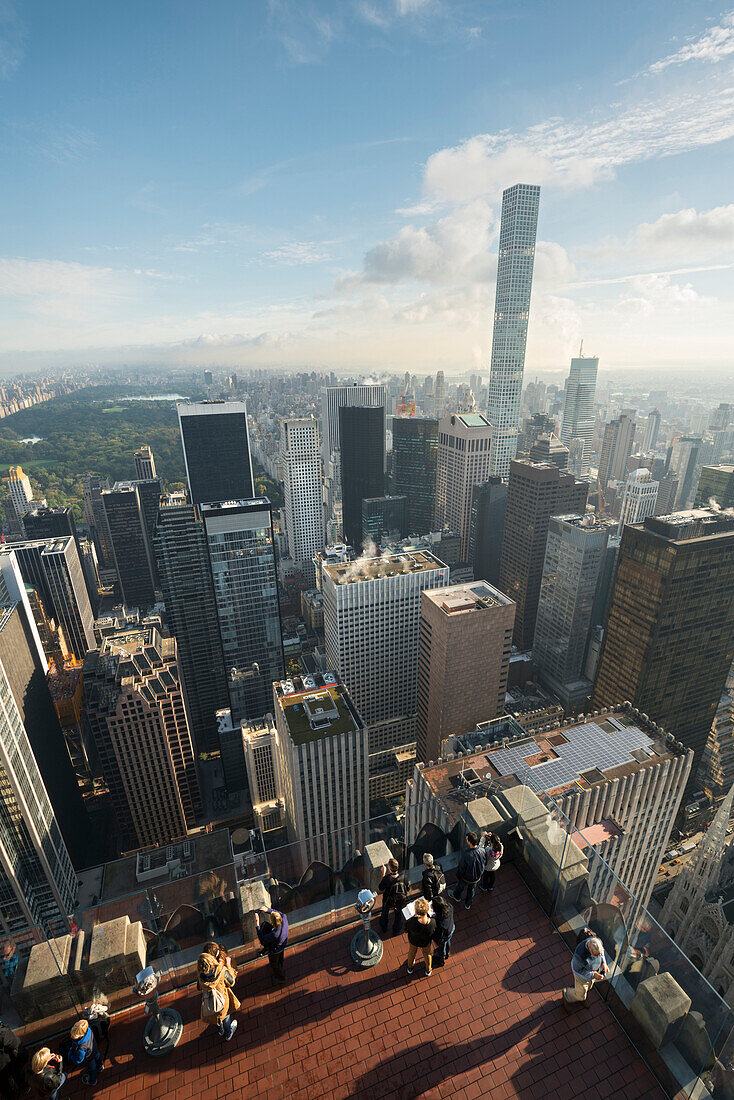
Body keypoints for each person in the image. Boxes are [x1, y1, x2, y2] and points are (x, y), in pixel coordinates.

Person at [197, 951, 240, 1041]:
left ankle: (220, 1030)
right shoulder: (221, 971)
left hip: (210, 1004)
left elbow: (199, 987)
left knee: (215, 1019)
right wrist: (228, 965)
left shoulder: (200, 977)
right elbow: (231, 982)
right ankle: (228, 1033)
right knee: (225, 1017)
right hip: (222, 1002)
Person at [564, 934, 609, 1004]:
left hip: (591, 972)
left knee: (588, 987)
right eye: (595, 954)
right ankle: (567, 994)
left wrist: (604, 963)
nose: (598, 957)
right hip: (581, 976)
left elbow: (602, 953)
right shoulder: (579, 956)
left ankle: (581, 996)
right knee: (581, 994)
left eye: (598, 954)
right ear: (589, 949)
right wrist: (593, 974)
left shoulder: (597, 942)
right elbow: (578, 970)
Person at [451, 832, 486, 910]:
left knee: (460, 887)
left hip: (466, 877)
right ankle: (468, 904)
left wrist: (458, 875)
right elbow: (484, 861)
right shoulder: (482, 850)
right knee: (472, 890)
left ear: (469, 842)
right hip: (477, 877)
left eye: (467, 839)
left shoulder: (466, 854)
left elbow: (461, 868)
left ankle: (457, 897)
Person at [255, 906, 289, 983]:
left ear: (273, 922)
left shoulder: (274, 934)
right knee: (280, 958)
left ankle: (280, 978)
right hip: (282, 944)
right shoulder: (284, 918)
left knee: (274, 965)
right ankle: (281, 966)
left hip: (275, 950)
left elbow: (263, 940)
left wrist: (257, 924)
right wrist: (268, 910)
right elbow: (280, 913)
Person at [65, 1019, 103, 1085]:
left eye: (74, 1036)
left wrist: (71, 1056)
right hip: (94, 1049)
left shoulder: (81, 1048)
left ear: (80, 1036)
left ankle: (92, 1081)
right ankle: (100, 1067)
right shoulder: (88, 1030)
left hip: (89, 1058)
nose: (71, 1037)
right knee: (98, 1056)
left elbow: (79, 1060)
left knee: (92, 1069)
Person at [405, 897, 436, 977]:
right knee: (427, 954)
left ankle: (410, 968)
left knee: (412, 953)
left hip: (413, 940)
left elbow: (406, 929)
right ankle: (428, 969)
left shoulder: (411, 922)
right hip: (426, 942)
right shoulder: (432, 923)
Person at [378, 858, 407, 935]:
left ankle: (384, 927)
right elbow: (407, 888)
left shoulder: (387, 878)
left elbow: (380, 888)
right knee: (398, 913)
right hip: (399, 900)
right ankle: (396, 929)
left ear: (389, 869)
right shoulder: (403, 877)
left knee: (385, 912)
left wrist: (383, 873)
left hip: (388, 900)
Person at [0, 1022, 28, 1098]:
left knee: (3, 1084)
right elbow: (15, 1043)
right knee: (17, 1073)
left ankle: (9, 1096)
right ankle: (24, 1087)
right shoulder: (3, 1033)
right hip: (10, 1061)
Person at [432, 895, 455, 968]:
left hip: (444, 934)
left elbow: (438, 935)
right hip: (451, 929)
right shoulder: (450, 907)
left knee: (442, 948)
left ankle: (442, 960)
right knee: (447, 941)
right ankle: (447, 953)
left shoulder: (439, 921)